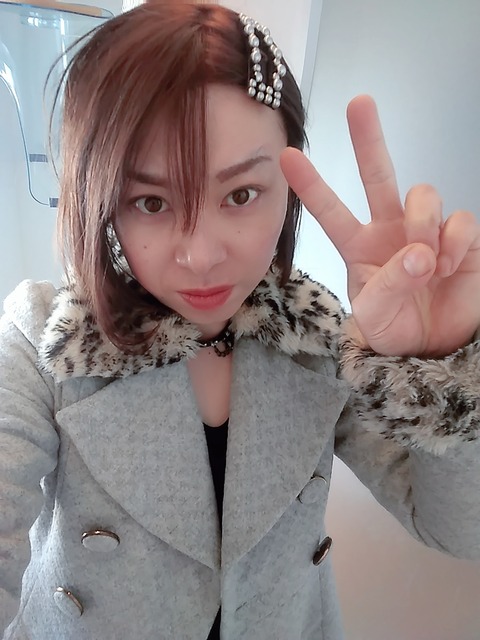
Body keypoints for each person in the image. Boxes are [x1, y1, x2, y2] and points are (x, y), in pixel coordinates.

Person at [1, 3, 479, 639]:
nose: (200, 256)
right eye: (150, 201)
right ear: (102, 199)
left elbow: (458, 530)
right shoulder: (40, 339)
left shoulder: (318, 340)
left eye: (241, 194)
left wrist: (437, 366)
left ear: (288, 188)